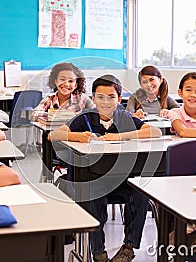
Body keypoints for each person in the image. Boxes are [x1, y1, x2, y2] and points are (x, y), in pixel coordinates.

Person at [49, 74, 162, 262]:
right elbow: (54, 135)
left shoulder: (124, 117)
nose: (105, 102)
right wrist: (78, 136)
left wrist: (120, 137)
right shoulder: (85, 118)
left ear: (119, 99)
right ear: (93, 99)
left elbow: (155, 131)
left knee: (140, 192)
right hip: (93, 180)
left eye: (111, 97)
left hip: (120, 181)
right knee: (94, 193)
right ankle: (98, 252)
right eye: (100, 97)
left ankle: (129, 247)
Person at [160, 72, 196, 138]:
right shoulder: (175, 113)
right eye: (188, 90)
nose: (193, 95)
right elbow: (182, 131)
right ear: (180, 93)